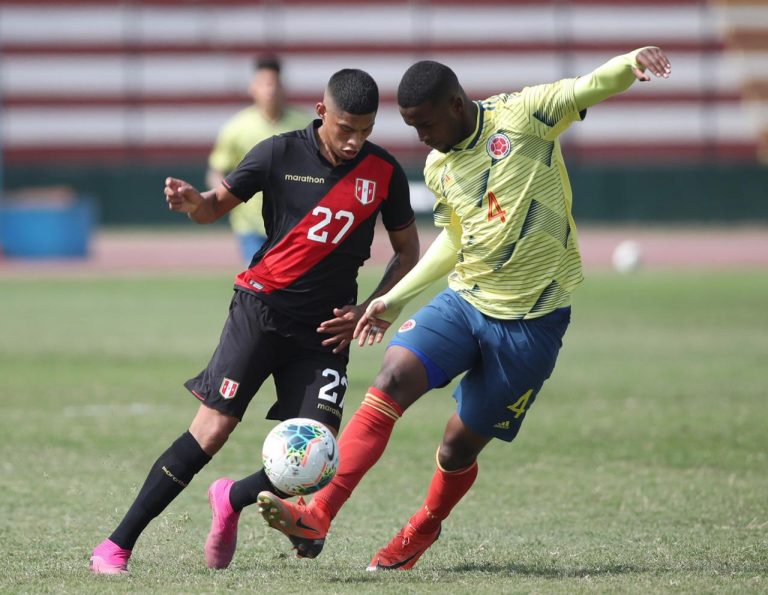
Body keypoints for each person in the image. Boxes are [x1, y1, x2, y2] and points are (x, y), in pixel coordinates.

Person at [256, 46, 672, 570]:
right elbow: (457, 238)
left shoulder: (524, 116)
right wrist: (392, 298)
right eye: (411, 127)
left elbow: (588, 85)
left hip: (531, 324)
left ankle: (423, 527)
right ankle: (317, 512)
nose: (420, 137)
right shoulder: (439, 166)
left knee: (457, 447)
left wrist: (632, 62)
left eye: (425, 124)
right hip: (466, 301)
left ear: (455, 105)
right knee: (391, 378)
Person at [89, 68, 420, 574]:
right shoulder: (277, 153)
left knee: (318, 457)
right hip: (260, 312)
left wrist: (371, 306)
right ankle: (116, 545)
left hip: (325, 332)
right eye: (345, 128)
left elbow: (407, 252)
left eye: (366, 129)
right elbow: (211, 209)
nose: (355, 141)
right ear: (321, 113)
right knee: (213, 431)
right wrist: (193, 204)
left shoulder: (384, 172)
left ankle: (231, 498)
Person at [207, 54, 310, 264]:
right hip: (250, 225)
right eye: (264, 84)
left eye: (274, 83)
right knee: (256, 278)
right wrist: (222, 199)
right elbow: (217, 170)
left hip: (294, 224)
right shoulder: (236, 128)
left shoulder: (305, 125)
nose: (270, 90)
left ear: (283, 87)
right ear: (252, 88)